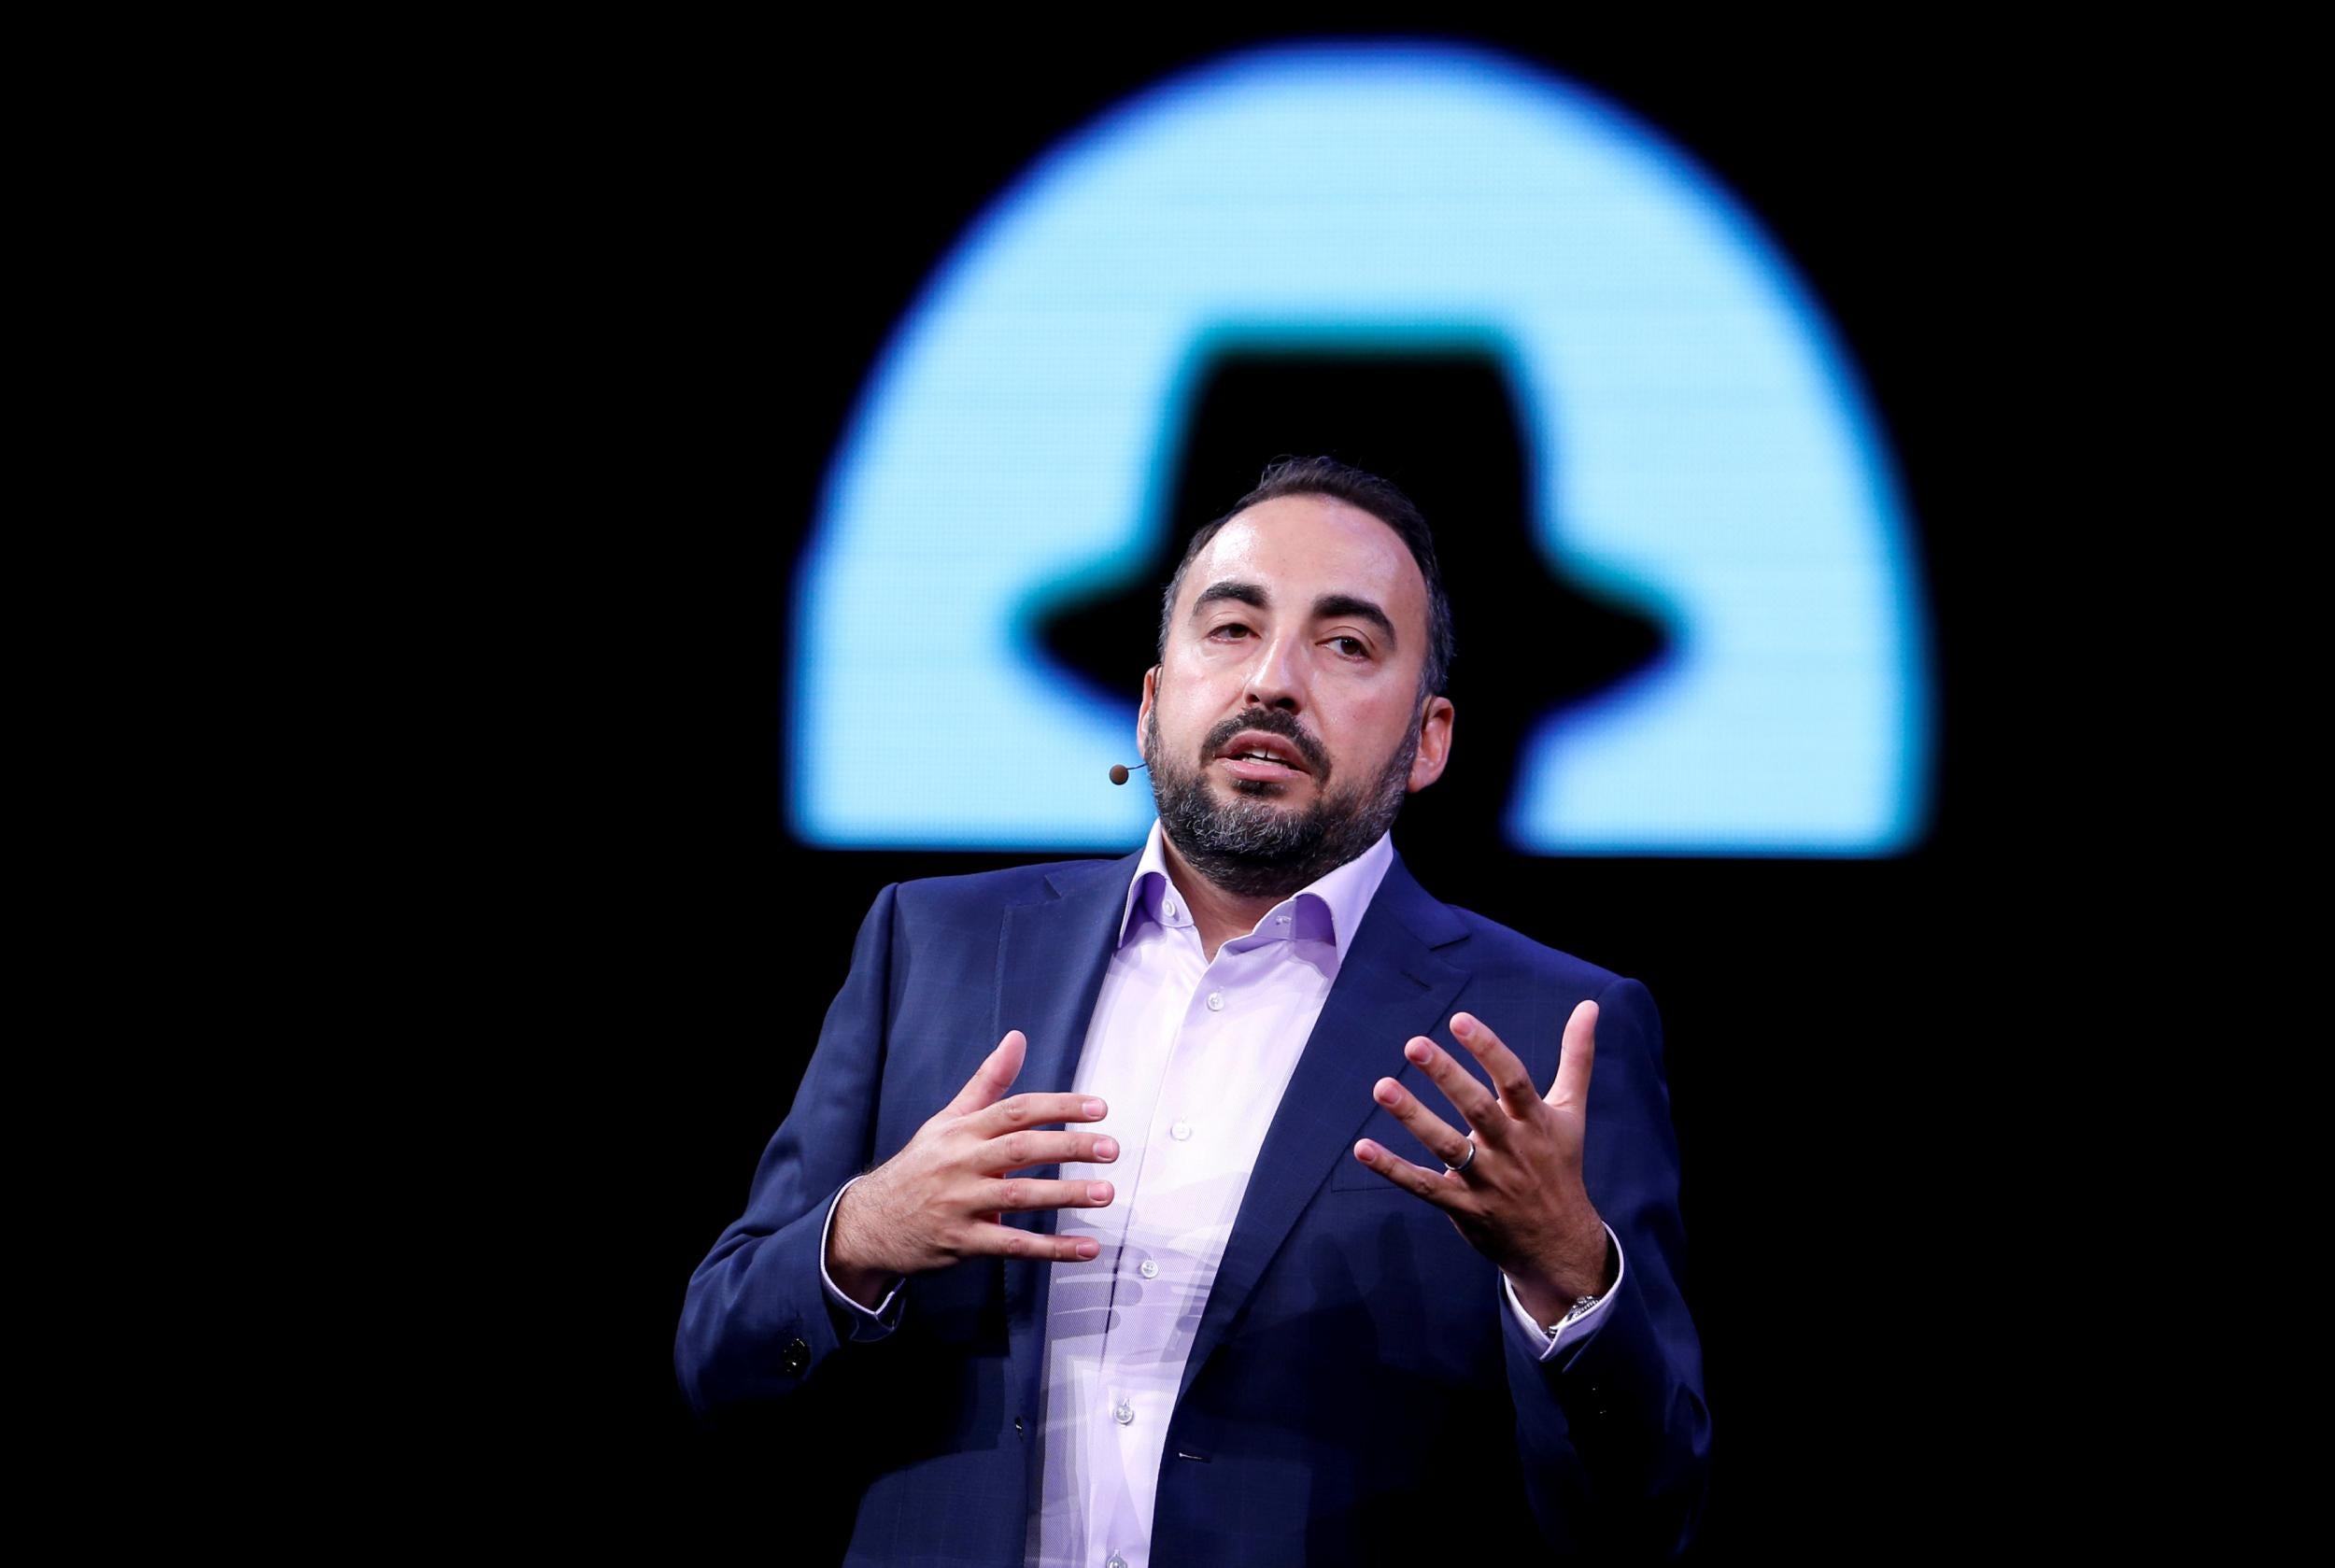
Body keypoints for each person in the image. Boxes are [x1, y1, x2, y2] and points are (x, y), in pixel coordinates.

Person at [675, 457, 1711, 1564]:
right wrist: (865, 1233)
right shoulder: (928, 945)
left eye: (1347, 644)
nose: (1272, 679)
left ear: (1428, 741)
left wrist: (1567, 1279)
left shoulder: (1552, 1029)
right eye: (1229, 628)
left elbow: (1647, 1508)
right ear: (1154, 700)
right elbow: (719, 1365)